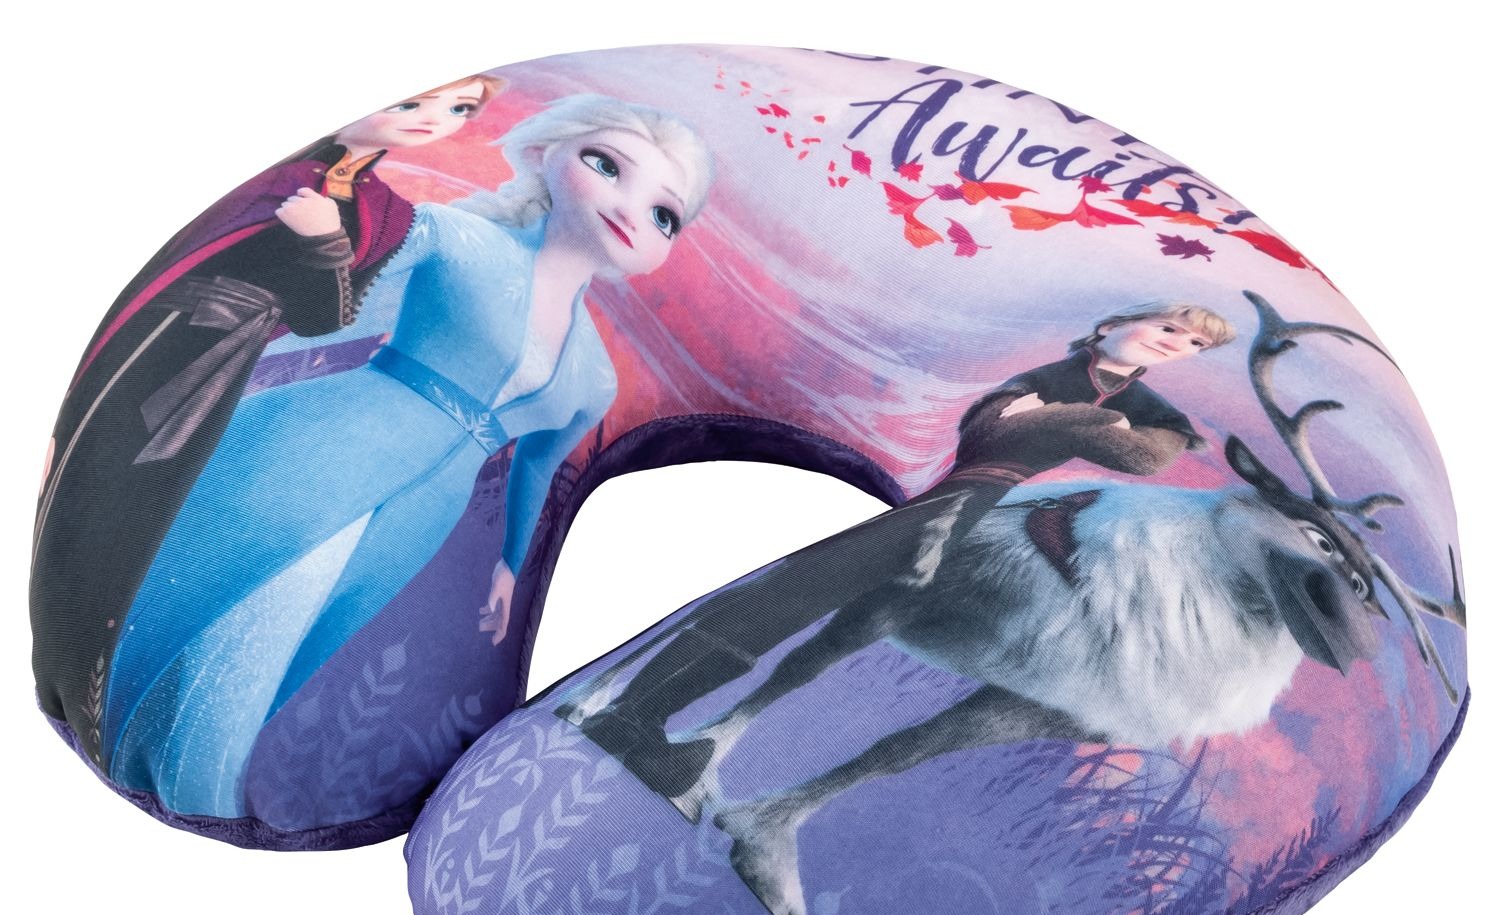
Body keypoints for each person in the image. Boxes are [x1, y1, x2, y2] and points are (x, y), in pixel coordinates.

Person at [99, 93, 714, 817]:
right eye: (605, 165)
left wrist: (511, 565)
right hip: (334, 441)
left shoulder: (592, 374)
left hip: (425, 509)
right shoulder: (461, 240)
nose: (629, 209)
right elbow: (342, 291)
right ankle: (190, 778)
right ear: (546, 155)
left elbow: (537, 467)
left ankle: (195, 772)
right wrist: (324, 242)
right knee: (248, 620)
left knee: (306, 638)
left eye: (664, 215)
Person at [561, 302, 1234, 801]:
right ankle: (633, 711)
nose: (1176, 343)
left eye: (1194, 344)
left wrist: (1065, 418)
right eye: (1170, 326)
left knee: (797, 603)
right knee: (788, 598)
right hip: (954, 494)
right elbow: (990, 428)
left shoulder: (1142, 402)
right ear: (1115, 321)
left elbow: (1144, 456)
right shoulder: (1060, 371)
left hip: (970, 505)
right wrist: (1092, 422)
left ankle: (638, 712)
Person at [31, 74, 505, 764]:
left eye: (460, 109)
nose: (432, 121)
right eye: (415, 103)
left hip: (217, 365)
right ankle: (83, 670)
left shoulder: (383, 211)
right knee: (101, 492)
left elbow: (325, 316)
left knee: (145, 515)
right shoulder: (280, 179)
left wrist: (325, 242)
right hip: (159, 347)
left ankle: (107, 678)